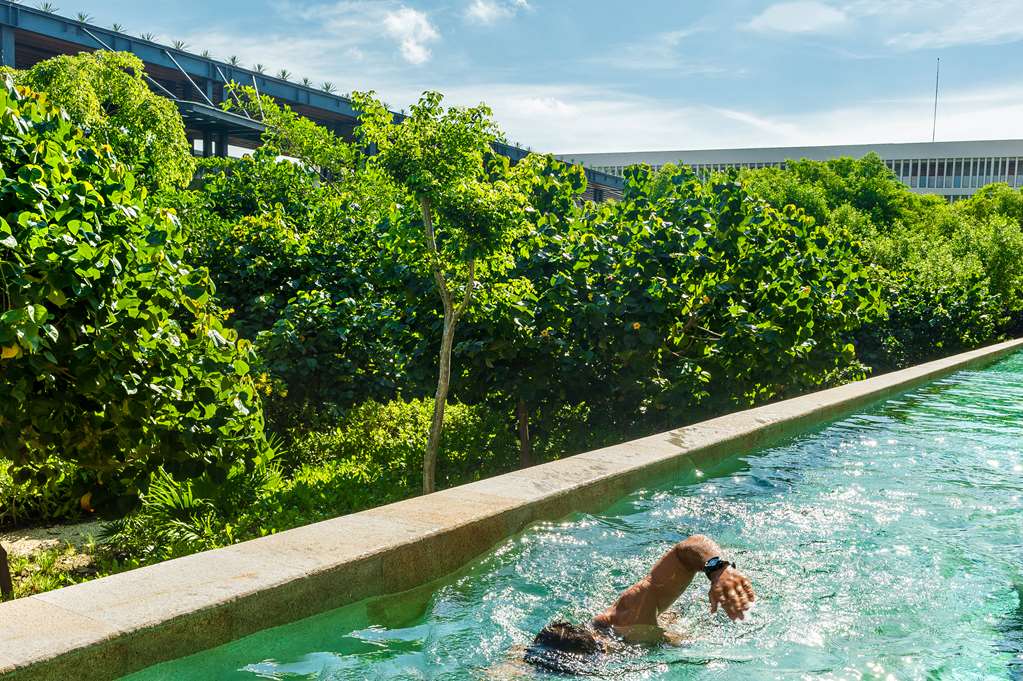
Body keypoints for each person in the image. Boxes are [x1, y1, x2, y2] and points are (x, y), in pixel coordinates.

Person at [523, 534, 755, 672]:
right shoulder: (546, 654)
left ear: (602, 651)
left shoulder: (631, 613)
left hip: (710, 615)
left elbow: (688, 547)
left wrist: (719, 571)